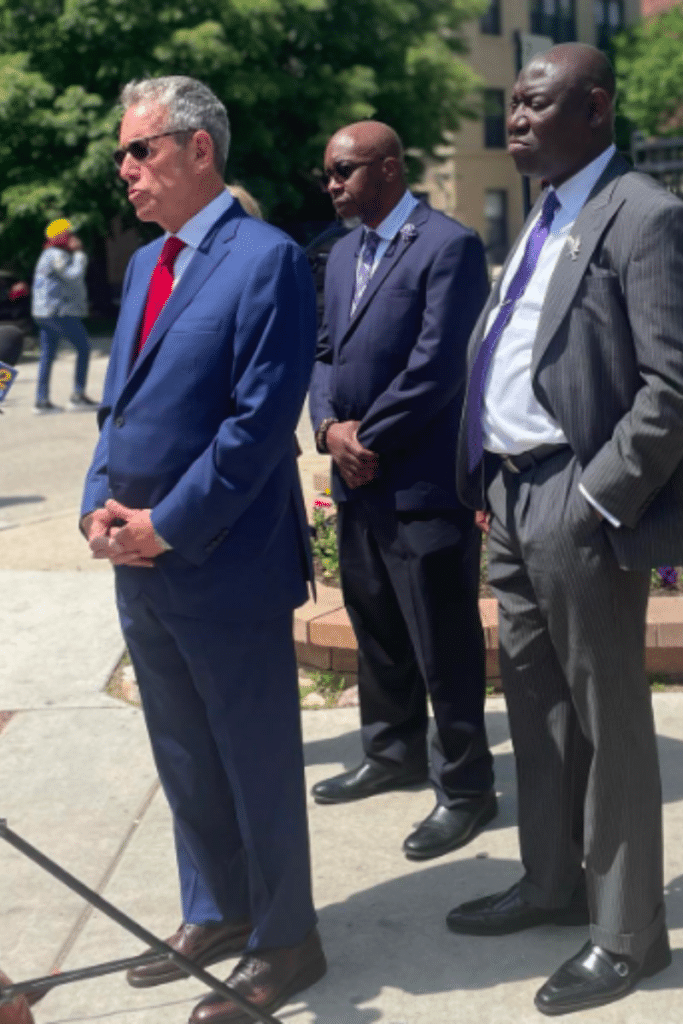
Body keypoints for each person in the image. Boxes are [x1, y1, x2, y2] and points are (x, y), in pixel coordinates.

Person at [80, 76, 325, 1024]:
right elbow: (119, 407)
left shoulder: (266, 262)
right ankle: (216, 909)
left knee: (254, 755)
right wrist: (98, 506)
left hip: (220, 559)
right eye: (122, 156)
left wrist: (165, 525)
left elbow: (256, 426)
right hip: (135, 561)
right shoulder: (146, 266)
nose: (126, 170)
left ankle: (286, 939)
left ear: (198, 150)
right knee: (182, 751)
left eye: (140, 150)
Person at [449, 42, 683, 1015]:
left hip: (574, 501)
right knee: (537, 714)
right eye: (508, 104)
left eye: (533, 104)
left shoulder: (644, 215)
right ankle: (551, 883)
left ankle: (627, 932)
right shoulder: (542, 216)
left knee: (607, 718)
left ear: (592, 109)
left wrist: (595, 495)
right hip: (508, 500)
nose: (512, 120)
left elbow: (669, 385)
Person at [308, 121, 496, 860]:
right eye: (326, 171)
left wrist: (367, 438)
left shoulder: (448, 247)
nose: (331, 184)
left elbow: (438, 365)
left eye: (344, 170)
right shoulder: (341, 253)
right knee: (377, 625)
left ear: (388, 168)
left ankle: (466, 788)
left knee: (440, 639)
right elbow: (323, 354)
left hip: (420, 483)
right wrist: (328, 429)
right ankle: (391, 753)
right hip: (355, 481)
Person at [31, 218, 97, 414]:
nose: (74, 238)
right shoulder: (57, 255)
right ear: (63, 237)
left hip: (44, 313)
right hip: (58, 313)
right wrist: (79, 254)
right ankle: (78, 397)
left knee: (47, 355)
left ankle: (41, 401)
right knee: (84, 348)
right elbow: (73, 276)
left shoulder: (46, 254)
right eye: (70, 234)